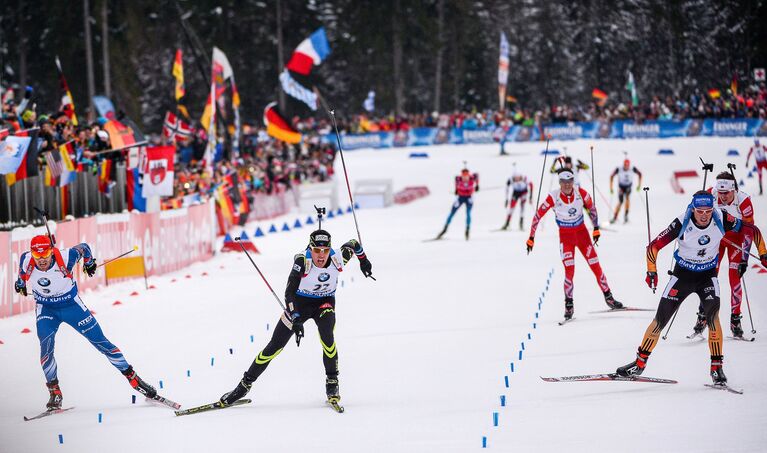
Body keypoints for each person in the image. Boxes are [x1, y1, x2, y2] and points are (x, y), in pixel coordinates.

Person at [616, 191, 767, 384]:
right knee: (660, 319)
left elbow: (752, 230)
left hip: (707, 276)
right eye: (700, 211)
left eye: (708, 211)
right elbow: (653, 247)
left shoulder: (721, 217)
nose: (704, 215)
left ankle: (716, 369)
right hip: (682, 275)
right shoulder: (681, 222)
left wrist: (763, 253)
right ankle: (639, 363)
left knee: (713, 318)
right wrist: (651, 271)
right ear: (693, 209)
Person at [219, 229, 373, 407]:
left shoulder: (338, 257)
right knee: (274, 347)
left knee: (327, 339)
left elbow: (354, 243)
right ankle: (243, 387)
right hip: (299, 304)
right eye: (316, 250)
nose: (321, 256)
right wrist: (296, 317)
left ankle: (332, 383)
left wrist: (364, 261)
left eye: (325, 251)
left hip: (324, 303)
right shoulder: (303, 261)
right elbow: (289, 292)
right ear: (310, 248)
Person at [14, 235, 159, 411]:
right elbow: (22, 275)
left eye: (45, 255)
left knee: (101, 342)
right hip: (46, 309)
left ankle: (135, 380)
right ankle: (55, 392)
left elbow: (84, 247)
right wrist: (20, 283)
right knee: (46, 348)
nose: (42, 261)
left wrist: (89, 262)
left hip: (71, 307)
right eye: (38, 257)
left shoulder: (67, 256)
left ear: (51, 251)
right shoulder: (26, 259)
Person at [526, 168, 623, 320]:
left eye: (569, 181)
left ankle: (609, 297)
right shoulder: (554, 196)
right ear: (559, 182)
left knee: (596, 267)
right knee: (569, 272)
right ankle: (569, 305)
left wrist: (596, 228)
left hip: (582, 235)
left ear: (573, 181)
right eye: (563, 182)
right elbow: (538, 216)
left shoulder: (581, 193)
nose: (567, 185)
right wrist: (531, 237)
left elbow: (592, 208)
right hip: (566, 238)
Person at [690, 172, 756, 338]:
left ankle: (735, 320)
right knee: (709, 277)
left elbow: (749, 231)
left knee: (735, 278)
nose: (723, 197)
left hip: (737, 241)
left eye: (726, 193)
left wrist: (744, 259)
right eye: (720, 193)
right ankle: (703, 316)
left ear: (733, 190)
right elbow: (697, 216)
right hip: (717, 240)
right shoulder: (711, 194)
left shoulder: (744, 201)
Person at [436, 166, 479, 240]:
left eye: (466, 176)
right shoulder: (458, 179)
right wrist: (456, 189)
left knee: (468, 213)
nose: (465, 178)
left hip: (469, 197)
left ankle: (467, 230)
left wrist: (477, 185)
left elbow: (477, 175)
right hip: (460, 198)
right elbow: (456, 183)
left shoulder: (472, 178)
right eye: (463, 176)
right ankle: (445, 229)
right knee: (452, 213)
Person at [609, 158, 643, 224]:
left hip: (628, 186)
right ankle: (615, 217)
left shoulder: (632, 169)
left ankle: (626, 216)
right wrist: (611, 187)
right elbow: (611, 176)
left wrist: (639, 185)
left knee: (627, 199)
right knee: (621, 202)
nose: (626, 167)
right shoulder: (619, 169)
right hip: (621, 187)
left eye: (627, 165)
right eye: (625, 165)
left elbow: (640, 174)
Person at [502, 166, 533, 230]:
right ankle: (507, 223)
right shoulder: (510, 179)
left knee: (522, 207)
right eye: (515, 178)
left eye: (518, 177)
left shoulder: (525, 178)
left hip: (524, 192)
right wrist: (506, 199)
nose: (517, 179)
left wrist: (530, 196)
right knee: (511, 208)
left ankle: (521, 223)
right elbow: (507, 188)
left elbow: (531, 185)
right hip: (516, 193)